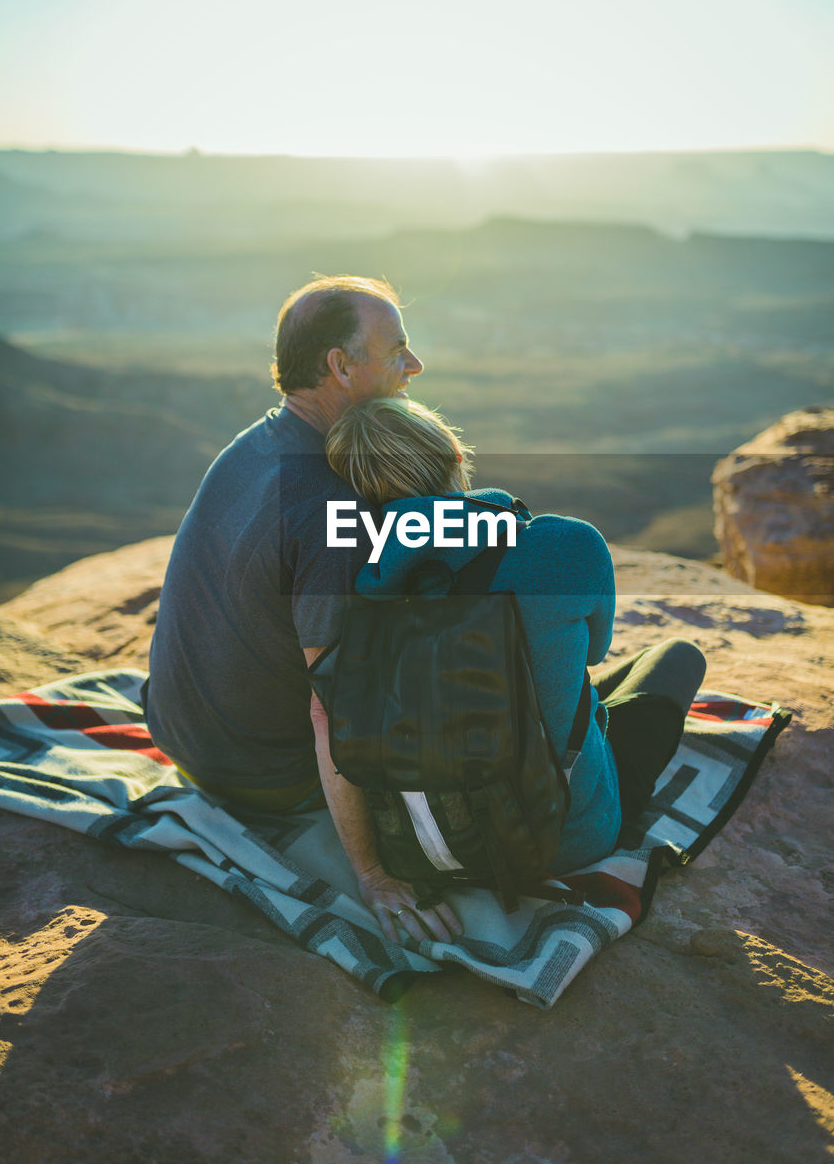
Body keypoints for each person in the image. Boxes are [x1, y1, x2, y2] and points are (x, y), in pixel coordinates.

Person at [143, 275, 462, 944]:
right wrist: (374, 875)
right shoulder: (330, 506)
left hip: (179, 734)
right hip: (260, 779)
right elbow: (332, 709)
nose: (414, 366)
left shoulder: (257, 442)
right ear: (339, 367)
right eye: (396, 349)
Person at [322, 397, 707, 907]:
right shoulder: (568, 545)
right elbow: (595, 651)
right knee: (677, 657)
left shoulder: (351, 582)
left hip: (427, 846)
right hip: (565, 839)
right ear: (456, 456)